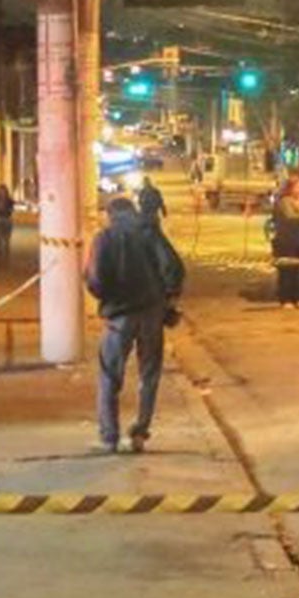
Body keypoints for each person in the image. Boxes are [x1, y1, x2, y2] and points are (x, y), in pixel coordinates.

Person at [85, 194, 185, 454]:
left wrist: (107, 297)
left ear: (110, 214)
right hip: (152, 312)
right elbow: (174, 267)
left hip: (119, 315)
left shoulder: (105, 238)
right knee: (149, 374)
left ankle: (110, 438)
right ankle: (140, 433)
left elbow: (95, 279)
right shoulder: (150, 232)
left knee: (110, 375)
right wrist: (169, 298)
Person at [270, 175, 299, 308]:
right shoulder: (285, 201)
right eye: (298, 186)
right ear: (290, 188)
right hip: (287, 241)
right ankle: (286, 299)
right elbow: (290, 217)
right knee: (287, 271)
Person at [0, 183, 15, 265]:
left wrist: (7, 210)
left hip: (7, 220)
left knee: (6, 241)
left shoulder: (10, 201)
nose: (2, 193)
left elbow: (11, 210)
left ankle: (6, 259)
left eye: (3, 191)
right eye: (1, 191)